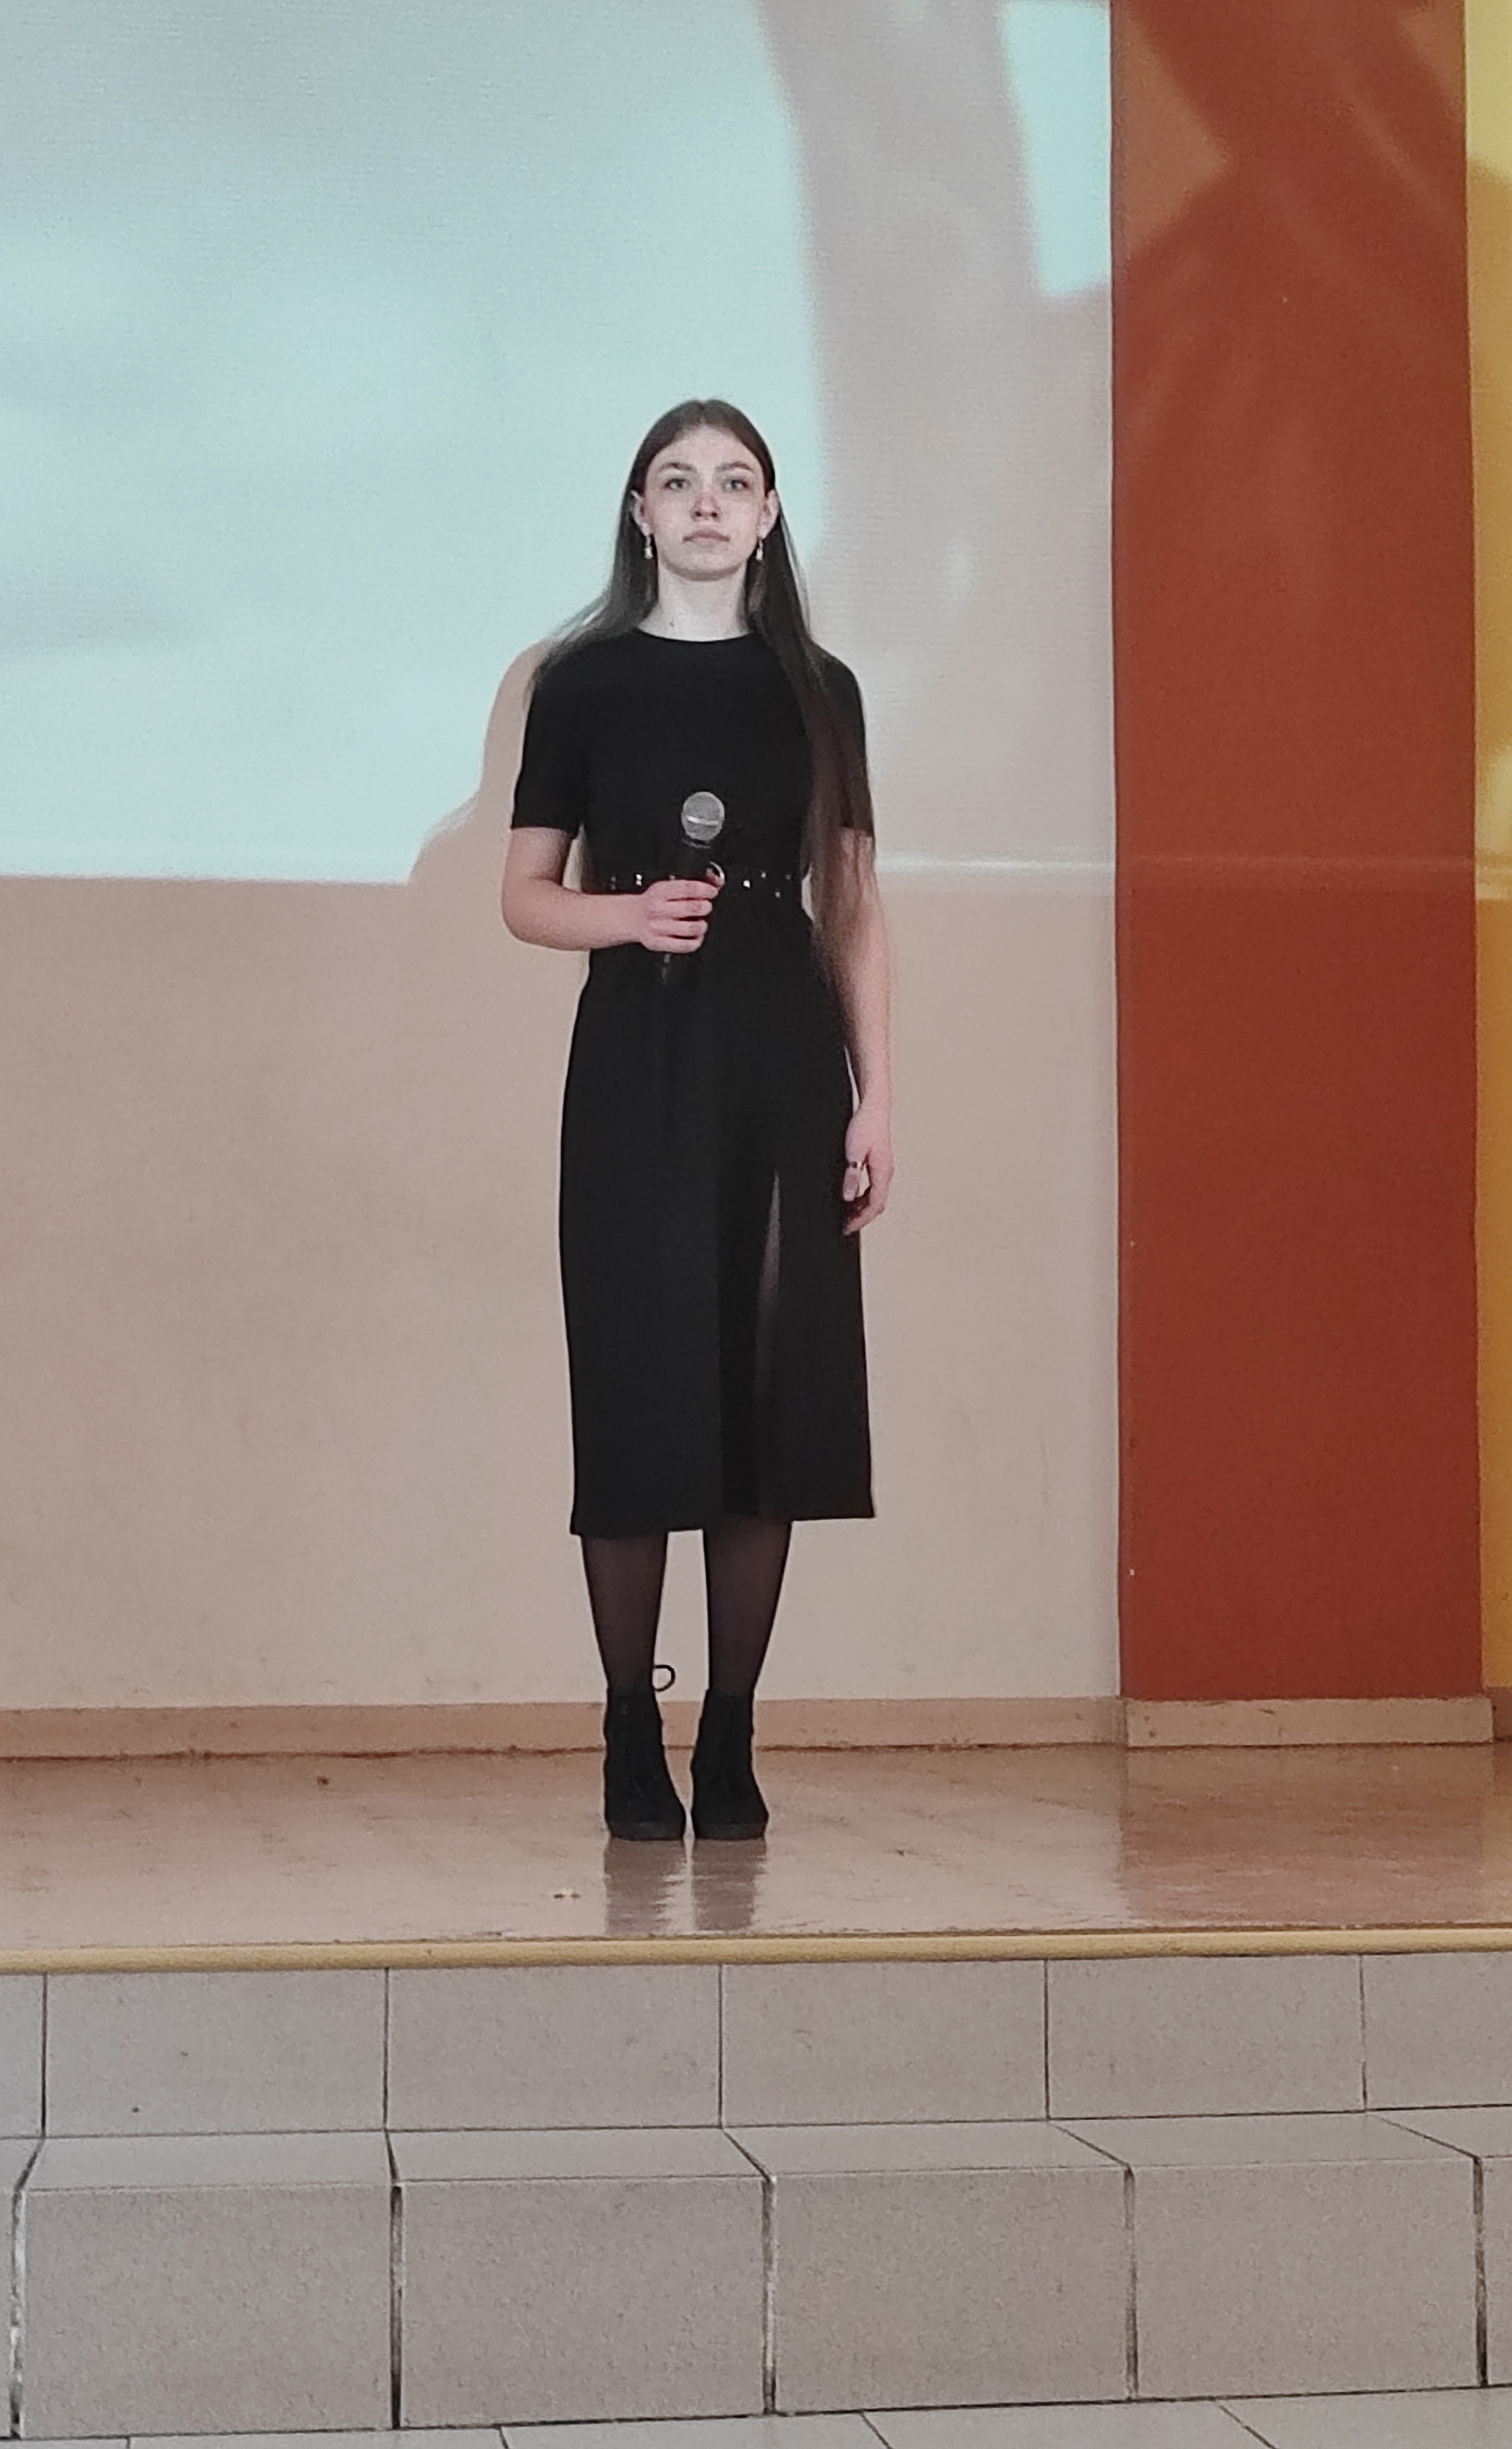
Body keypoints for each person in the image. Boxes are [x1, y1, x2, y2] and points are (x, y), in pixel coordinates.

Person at [501, 399, 893, 1843]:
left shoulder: (820, 688)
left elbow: (854, 904)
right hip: (638, 1064)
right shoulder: (582, 680)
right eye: (680, 481)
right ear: (641, 513)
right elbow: (523, 894)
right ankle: (629, 1729)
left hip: (781, 1062)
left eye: (735, 481)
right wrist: (629, 915)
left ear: (771, 513)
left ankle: (731, 1734)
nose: (708, 503)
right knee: (638, 1391)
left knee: (764, 1401)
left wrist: (877, 1092)